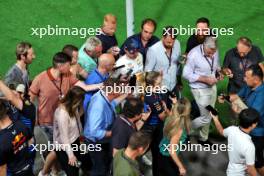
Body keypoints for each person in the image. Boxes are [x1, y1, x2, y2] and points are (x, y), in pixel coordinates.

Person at [30, 52, 101, 176]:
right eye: (69, 64)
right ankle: (45, 171)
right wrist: (31, 121)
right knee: (58, 148)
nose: (72, 66)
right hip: (47, 121)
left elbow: (84, 87)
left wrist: (102, 85)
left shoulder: (68, 75)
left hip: (65, 117)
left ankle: (54, 169)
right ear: (60, 65)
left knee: (60, 146)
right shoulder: (40, 78)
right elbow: (30, 99)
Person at [83, 78, 128, 176]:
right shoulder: (98, 106)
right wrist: (115, 133)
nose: (121, 90)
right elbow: (94, 132)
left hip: (103, 141)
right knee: (100, 168)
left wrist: (126, 95)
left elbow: (112, 104)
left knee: (106, 162)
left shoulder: (104, 96)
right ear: (112, 91)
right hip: (95, 143)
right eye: (119, 89)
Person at [226, 64, 264, 175]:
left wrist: (237, 111)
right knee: (249, 158)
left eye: (247, 77)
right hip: (248, 130)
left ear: (256, 80)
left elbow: (251, 117)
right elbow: (236, 96)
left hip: (257, 133)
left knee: (258, 161)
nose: (244, 78)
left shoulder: (262, 95)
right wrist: (226, 97)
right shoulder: (249, 86)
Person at [183, 36, 221, 144]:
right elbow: (186, 74)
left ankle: (203, 137)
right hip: (199, 89)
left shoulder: (214, 50)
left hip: (212, 86)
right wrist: (204, 79)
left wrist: (219, 71)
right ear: (204, 46)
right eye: (209, 53)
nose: (211, 55)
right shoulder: (193, 55)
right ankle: (184, 130)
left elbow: (215, 63)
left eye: (213, 53)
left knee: (211, 113)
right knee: (206, 117)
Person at [211, 108, 259, 176]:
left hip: (231, 171)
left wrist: (215, 119)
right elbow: (251, 170)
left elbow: (221, 131)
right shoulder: (249, 146)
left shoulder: (232, 129)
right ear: (253, 124)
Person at [142, 71, 173, 175]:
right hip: (154, 128)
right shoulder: (152, 98)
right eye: (159, 83)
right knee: (157, 153)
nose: (161, 85)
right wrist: (169, 110)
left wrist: (165, 109)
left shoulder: (155, 92)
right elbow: (163, 116)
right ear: (151, 84)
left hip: (157, 125)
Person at [53, 86, 86, 176]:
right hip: (64, 147)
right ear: (74, 99)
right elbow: (64, 137)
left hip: (74, 141)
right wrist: (71, 155)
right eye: (80, 100)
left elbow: (78, 119)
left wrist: (81, 138)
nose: (81, 103)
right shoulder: (62, 114)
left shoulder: (72, 107)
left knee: (76, 167)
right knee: (72, 172)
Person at [0, 99, 34, 176]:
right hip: (29, 167)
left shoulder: (1, 141)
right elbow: (31, 141)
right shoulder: (21, 124)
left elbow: (2, 169)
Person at [158, 97, 191, 176]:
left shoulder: (171, 117)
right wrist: (181, 167)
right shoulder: (179, 129)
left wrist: (173, 105)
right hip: (167, 155)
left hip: (162, 148)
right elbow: (172, 151)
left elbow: (171, 113)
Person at [145, 26, 182, 92]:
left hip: (173, 85)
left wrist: (179, 81)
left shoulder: (177, 44)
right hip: (160, 88)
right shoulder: (153, 50)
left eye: (173, 41)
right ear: (163, 37)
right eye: (168, 42)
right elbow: (148, 72)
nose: (171, 44)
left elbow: (177, 64)